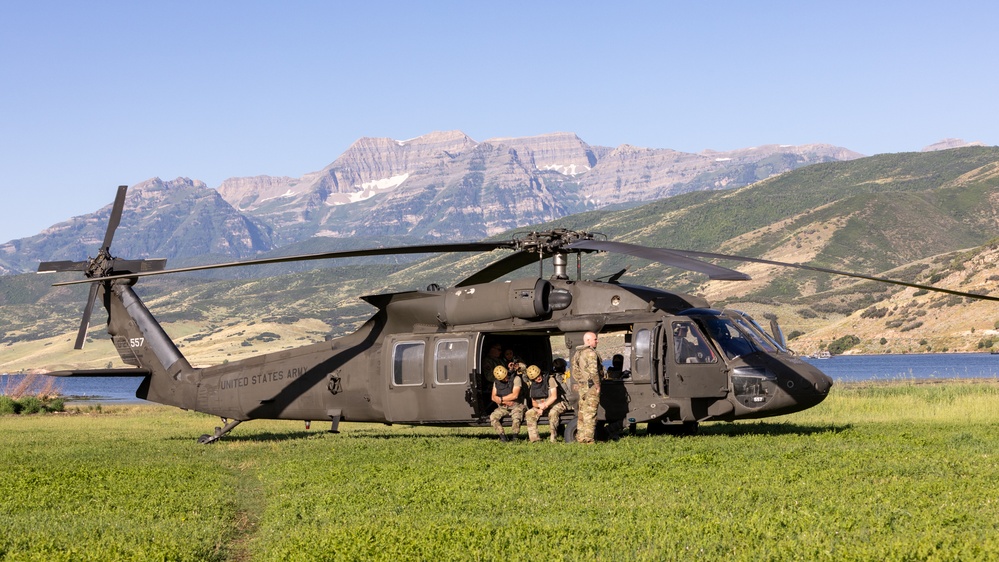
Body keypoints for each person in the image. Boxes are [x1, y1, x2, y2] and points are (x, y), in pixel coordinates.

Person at [571, 331, 604, 444]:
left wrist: (581, 382)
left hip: (583, 387)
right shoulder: (590, 353)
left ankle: (581, 437)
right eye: (595, 339)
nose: (597, 341)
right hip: (591, 387)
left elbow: (575, 371)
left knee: (582, 414)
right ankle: (589, 439)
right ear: (588, 340)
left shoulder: (578, 353)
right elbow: (594, 371)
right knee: (590, 413)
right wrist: (597, 385)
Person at [524, 364, 570, 443]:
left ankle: (553, 438)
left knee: (552, 414)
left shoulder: (550, 380)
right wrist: (539, 407)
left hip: (556, 404)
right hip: (542, 406)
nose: (538, 378)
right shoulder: (532, 386)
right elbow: (533, 402)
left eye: (538, 376)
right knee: (529, 413)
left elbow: (554, 396)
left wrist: (543, 406)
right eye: (535, 378)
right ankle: (535, 439)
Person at [489, 365, 526, 442]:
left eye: (505, 377)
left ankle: (515, 437)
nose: (505, 379)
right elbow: (493, 397)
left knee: (516, 417)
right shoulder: (496, 382)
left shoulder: (516, 379)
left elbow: (515, 395)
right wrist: (504, 401)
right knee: (493, 417)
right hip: (503, 407)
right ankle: (503, 437)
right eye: (502, 379)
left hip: (516, 406)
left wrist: (501, 399)